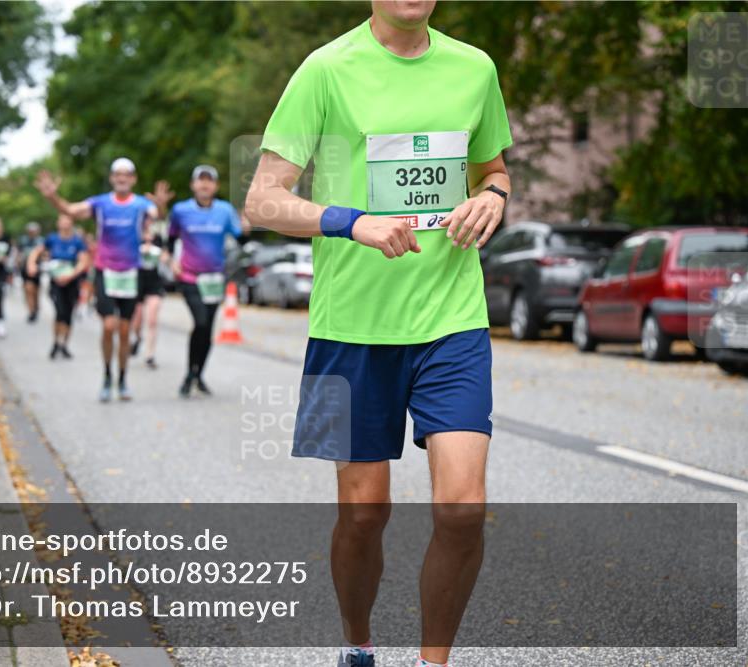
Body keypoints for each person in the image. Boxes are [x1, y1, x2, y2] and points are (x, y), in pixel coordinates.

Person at [245, 2, 513, 666]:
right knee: (364, 514)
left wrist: (494, 198)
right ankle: (357, 641)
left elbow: (493, 170)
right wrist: (351, 220)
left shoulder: (473, 68)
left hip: (451, 320)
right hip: (352, 329)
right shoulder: (327, 70)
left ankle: (433, 661)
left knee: (462, 507)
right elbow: (262, 198)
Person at [34, 158, 164, 402]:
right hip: (105, 271)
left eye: (127, 174)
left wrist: (161, 205)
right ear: (112, 178)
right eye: (118, 174)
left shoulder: (141, 204)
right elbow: (71, 210)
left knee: (125, 331)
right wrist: (52, 197)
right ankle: (106, 376)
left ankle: (122, 379)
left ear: (133, 179)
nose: (122, 178)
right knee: (108, 326)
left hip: (130, 273)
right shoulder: (100, 203)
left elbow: (157, 215)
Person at [167, 166, 248, 397]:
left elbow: (241, 239)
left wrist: (246, 227)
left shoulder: (224, 210)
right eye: (200, 181)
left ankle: (198, 374)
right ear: (193, 185)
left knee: (208, 328)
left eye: (209, 181)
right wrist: (171, 261)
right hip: (190, 277)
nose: (205, 185)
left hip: (215, 278)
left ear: (216, 186)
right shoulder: (181, 211)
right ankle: (189, 376)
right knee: (200, 322)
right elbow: (170, 239)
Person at [26, 214, 90, 359]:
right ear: (58, 223)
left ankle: (64, 344)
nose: (65, 223)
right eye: (62, 220)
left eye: (68, 221)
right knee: (59, 312)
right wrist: (31, 264)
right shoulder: (52, 239)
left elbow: (83, 261)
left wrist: (71, 275)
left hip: (71, 282)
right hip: (56, 282)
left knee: (68, 314)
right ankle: (56, 341)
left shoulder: (77, 241)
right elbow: (36, 251)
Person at [131, 224, 166, 369]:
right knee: (137, 321)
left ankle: (149, 355)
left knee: (152, 320)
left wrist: (164, 258)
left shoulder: (158, 239)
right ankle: (138, 338)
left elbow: (165, 256)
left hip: (154, 284)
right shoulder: (134, 238)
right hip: (137, 283)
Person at [17, 222, 45, 322]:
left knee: (36, 291)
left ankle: (36, 307)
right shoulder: (23, 241)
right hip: (25, 268)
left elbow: (44, 254)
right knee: (28, 289)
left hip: (37, 268)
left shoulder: (41, 241)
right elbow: (19, 254)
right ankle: (31, 311)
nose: (32, 233)